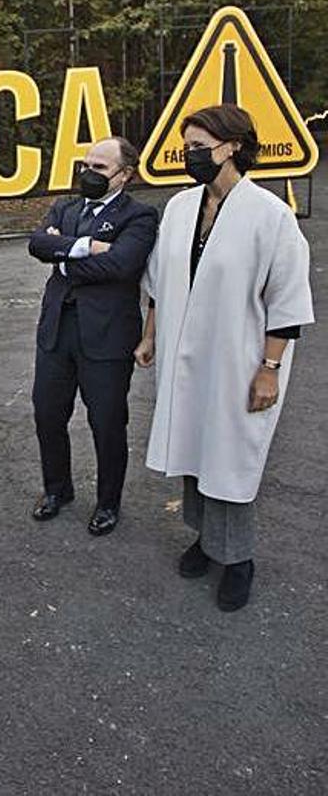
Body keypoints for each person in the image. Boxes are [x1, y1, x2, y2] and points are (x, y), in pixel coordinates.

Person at [135, 104, 313, 611]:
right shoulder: (180, 208)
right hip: (183, 356)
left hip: (238, 361)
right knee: (193, 447)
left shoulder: (270, 215)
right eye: (185, 148)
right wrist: (150, 337)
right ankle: (205, 540)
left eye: (199, 148)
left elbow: (287, 301)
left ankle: (238, 559)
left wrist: (270, 369)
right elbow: (158, 283)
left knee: (230, 456)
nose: (190, 156)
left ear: (233, 146)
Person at [28, 136, 158, 535]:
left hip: (106, 338)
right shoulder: (65, 207)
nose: (89, 174)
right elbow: (37, 244)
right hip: (57, 332)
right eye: (86, 165)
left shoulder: (140, 216)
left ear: (125, 175)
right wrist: (86, 246)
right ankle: (57, 490)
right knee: (48, 415)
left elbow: (121, 265)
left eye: (100, 168)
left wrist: (64, 259)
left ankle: (108, 502)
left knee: (106, 422)